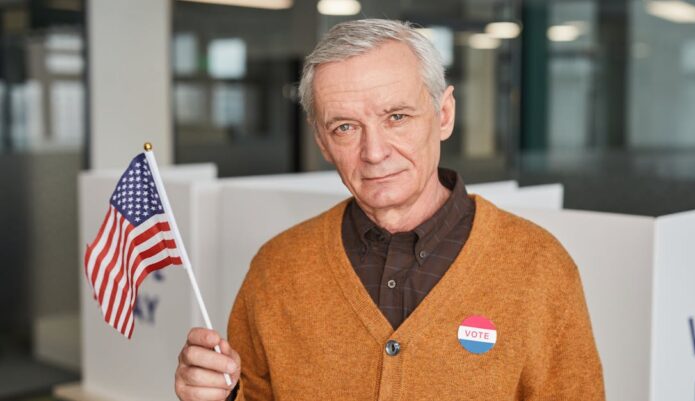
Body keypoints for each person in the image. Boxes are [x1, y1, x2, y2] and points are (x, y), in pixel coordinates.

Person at [174, 19, 604, 401]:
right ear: (321, 142)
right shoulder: (276, 271)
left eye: (396, 117)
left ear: (444, 114)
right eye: (345, 127)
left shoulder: (540, 267)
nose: (374, 152)